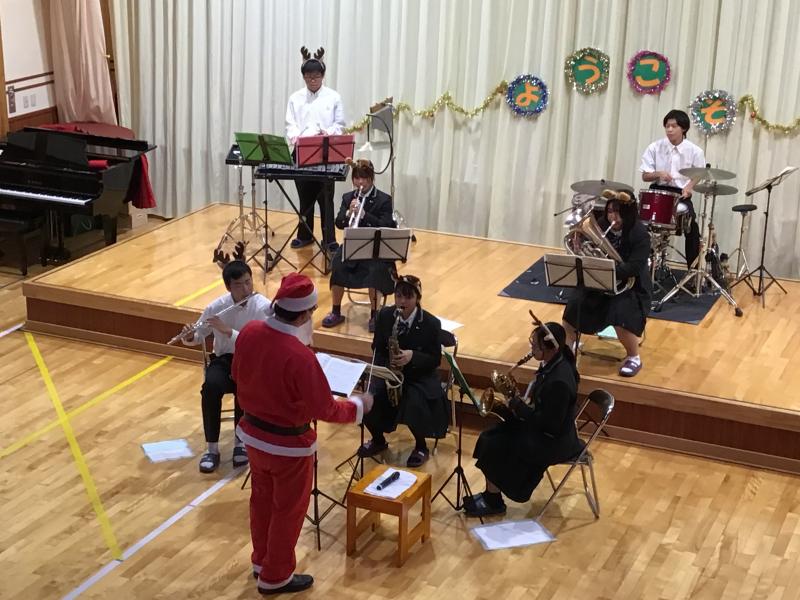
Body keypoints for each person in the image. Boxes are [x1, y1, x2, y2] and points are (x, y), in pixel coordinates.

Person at [233, 273, 373, 595]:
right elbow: (326, 409)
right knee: (288, 511)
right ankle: (275, 576)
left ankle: (261, 561)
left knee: (261, 501)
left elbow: (237, 374)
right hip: (288, 447)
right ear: (304, 314)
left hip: (253, 436)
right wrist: (359, 406)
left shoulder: (250, 332)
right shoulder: (300, 357)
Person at [463, 321, 582, 517]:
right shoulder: (555, 363)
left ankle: (494, 501)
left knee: (496, 444)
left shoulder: (559, 381)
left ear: (549, 348)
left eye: (535, 345)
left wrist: (519, 407)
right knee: (491, 435)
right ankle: (491, 496)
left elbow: (550, 425)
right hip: (544, 430)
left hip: (554, 442)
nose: (531, 349)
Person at [179, 260, 271, 473]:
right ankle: (212, 448)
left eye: (248, 282)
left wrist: (228, 331)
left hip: (252, 360)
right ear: (229, 287)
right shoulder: (217, 306)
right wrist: (190, 336)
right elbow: (199, 334)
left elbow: (260, 343)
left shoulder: (263, 307)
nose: (246, 289)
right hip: (224, 360)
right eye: (239, 285)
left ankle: (241, 443)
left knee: (245, 388)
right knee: (210, 388)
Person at [358, 275, 449, 467]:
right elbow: (377, 347)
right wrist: (383, 367)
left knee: (413, 402)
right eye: (398, 296)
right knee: (367, 402)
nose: (402, 301)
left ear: (417, 298)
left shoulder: (431, 323)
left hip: (419, 375)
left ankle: (421, 446)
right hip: (391, 373)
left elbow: (435, 359)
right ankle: (378, 440)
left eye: (408, 297)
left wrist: (412, 356)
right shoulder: (385, 316)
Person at [562, 189, 651, 377]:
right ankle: (568, 350)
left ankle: (634, 356)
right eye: (610, 211)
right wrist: (579, 248)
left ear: (628, 213)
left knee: (621, 315)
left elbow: (634, 267)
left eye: (618, 212)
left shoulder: (640, 234)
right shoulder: (601, 225)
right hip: (599, 282)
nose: (613, 217)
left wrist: (605, 268)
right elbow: (587, 250)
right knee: (574, 307)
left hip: (631, 286)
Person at [321, 159, 397, 333]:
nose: (360, 182)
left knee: (375, 271)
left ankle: (375, 315)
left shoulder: (384, 199)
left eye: (364, 178)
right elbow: (339, 223)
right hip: (353, 244)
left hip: (375, 248)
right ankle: (336, 311)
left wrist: (364, 215)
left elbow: (387, 225)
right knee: (337, 265)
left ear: (371, 179)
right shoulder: (348, 197)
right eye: (357, 178)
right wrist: (349, 212)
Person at [285, 46, 345, 252]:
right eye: (309, 76)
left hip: (325, 151)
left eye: (317, 76)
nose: (313, 80)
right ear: (303, 77)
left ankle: (329, 239)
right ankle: (305, 235)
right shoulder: (295, 98)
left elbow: (340, 124)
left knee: (326, 198)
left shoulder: (333, 96)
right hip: (302, 151)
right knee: (305, 197)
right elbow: (290, 124)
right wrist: (297, 138)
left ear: (323, 76)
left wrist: (326, 133)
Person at [640, 108, 705, 270]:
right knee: (637, 223)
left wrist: (689, 187)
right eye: (667, 126)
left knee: (692, 227)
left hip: (680, 194)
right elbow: (645, 176)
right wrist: (658, 174)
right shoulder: (655, 147)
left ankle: (693, 270)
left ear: (684, 128)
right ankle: (639, 265)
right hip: (657, 191)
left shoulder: (695, 151)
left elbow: (699, 173)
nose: (669, 129)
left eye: (674, 126)